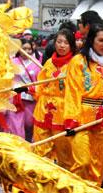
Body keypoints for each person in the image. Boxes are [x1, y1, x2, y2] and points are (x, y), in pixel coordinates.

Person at [63, 24, 103, 185]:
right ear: (91, 40)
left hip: (102, 119)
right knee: (82, 162)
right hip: (81, 118)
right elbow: (72, 91)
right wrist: (71, 119)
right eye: (100, 40)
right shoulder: (78, 62)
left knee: (97, 165)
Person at [32, 29, 77, 168]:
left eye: (66, 43)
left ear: (71, 45)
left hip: (63, 113)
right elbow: (40, 85)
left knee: (65, 154)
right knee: (40, 151)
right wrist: (32, 89)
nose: (62, 45)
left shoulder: (75, 65)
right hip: (44, 110)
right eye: (59, 42)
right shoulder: (49, 63)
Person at [5, 39, 41, 140]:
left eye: (29, 49)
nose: (27, 51)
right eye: (24, 48)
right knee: (16, 126)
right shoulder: (12, 62)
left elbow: (39, 81)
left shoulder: (36, 63)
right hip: (16, 99)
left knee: (30, 124)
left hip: (30, 98)